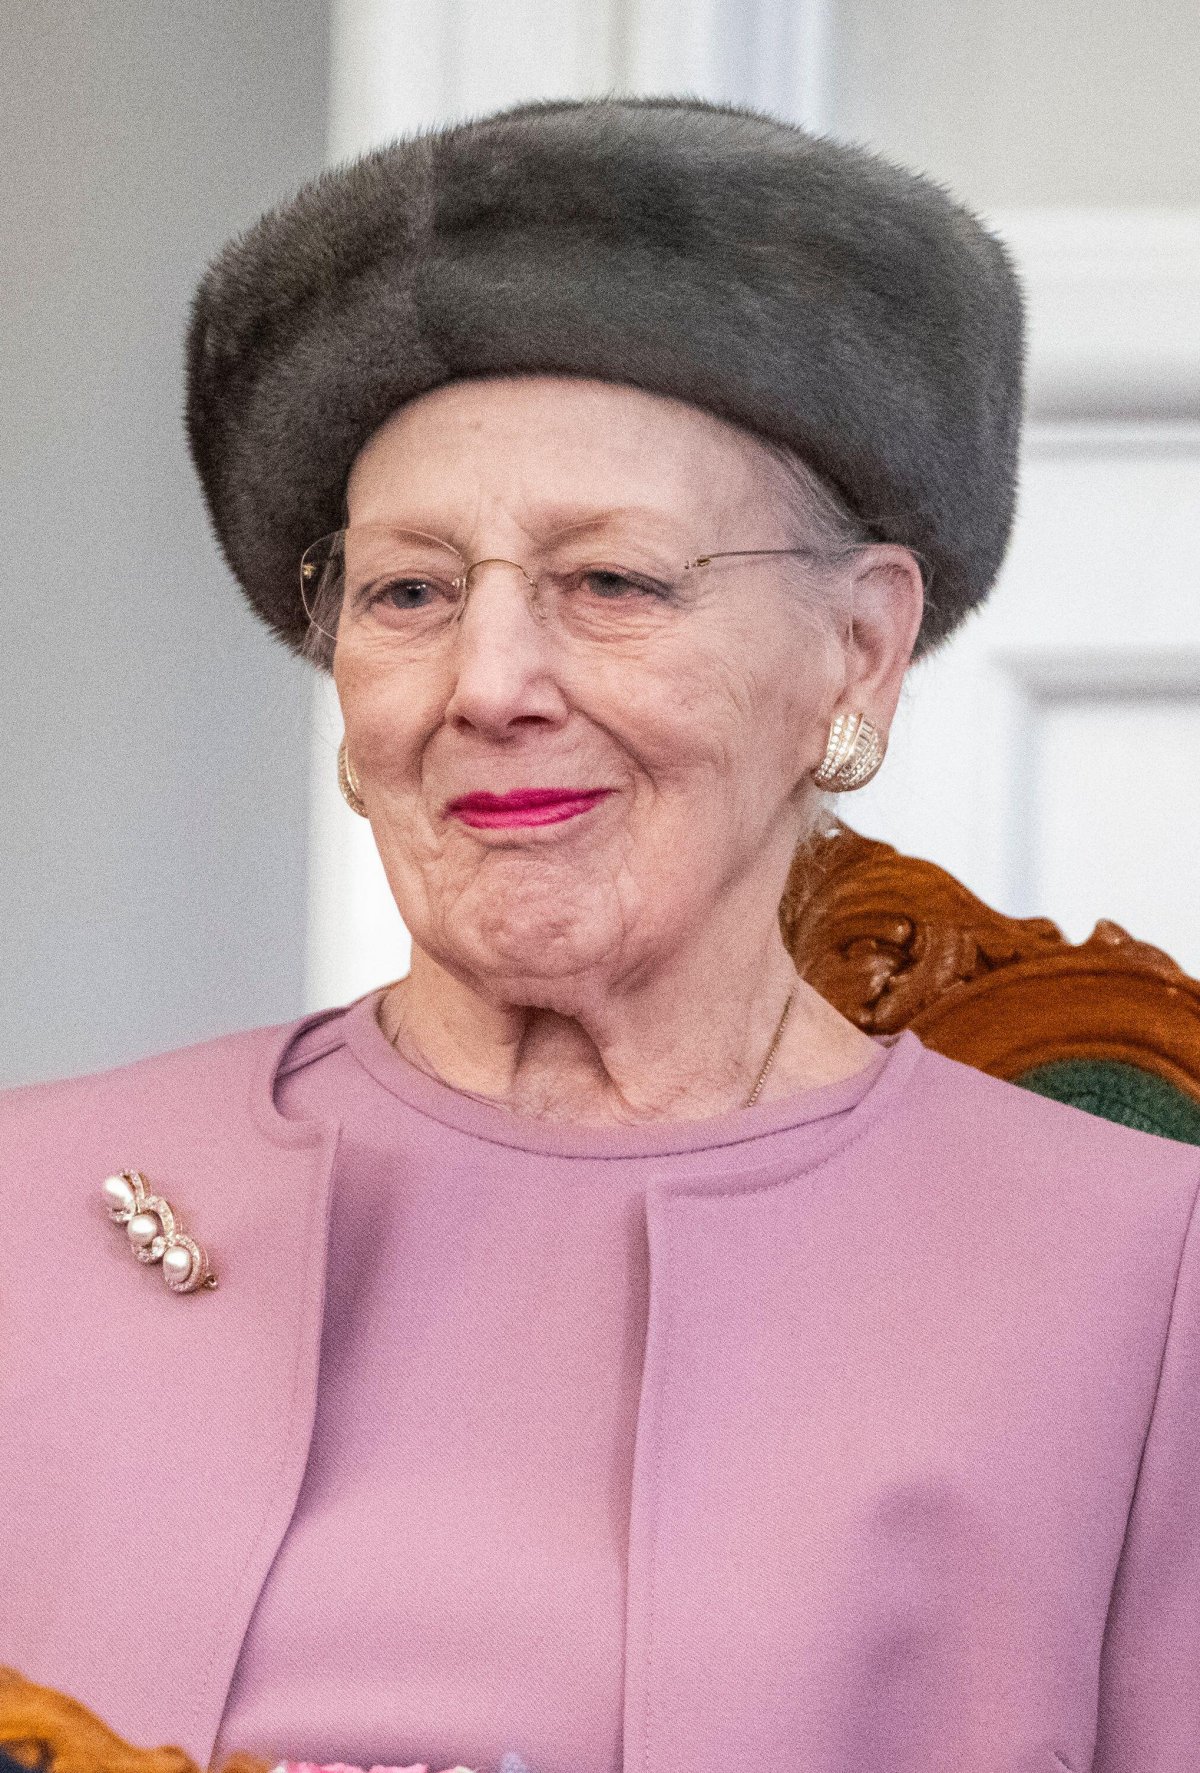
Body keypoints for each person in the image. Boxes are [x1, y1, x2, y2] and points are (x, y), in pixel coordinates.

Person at [3, 96, 1198, 1773]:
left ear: (858, 652)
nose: (489, 687)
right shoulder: (30, 1201)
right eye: (411, 591)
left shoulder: (1148, 1277)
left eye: (612, 583)